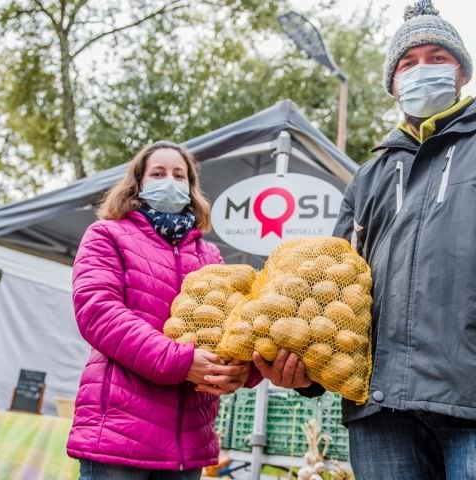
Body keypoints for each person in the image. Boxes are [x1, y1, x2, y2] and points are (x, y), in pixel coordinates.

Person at [254, 1, 476, 478]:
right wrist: (307, 373)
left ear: (461, 71)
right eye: (408, 63)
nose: (422, 70)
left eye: (437, 57)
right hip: (379, 415)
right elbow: (331, 289)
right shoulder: (370, 175)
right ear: (393, 83)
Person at [67, 141, 261, 480]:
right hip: (118, 439)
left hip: (188, 445)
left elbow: (233, 326)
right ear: (138, 183)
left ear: (190, 187)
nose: (169, 181)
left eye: (179, 175)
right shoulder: (106, 235)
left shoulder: (210, 256)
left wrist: (242, 371)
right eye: (158, 173)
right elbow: (97, 312)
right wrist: (181, 362)